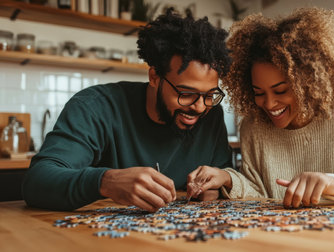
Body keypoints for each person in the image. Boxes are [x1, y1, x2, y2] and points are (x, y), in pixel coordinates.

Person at [187, 7, 334, 207]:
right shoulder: (253, 124)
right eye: (259, 93)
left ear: (308, 82)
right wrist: (227, 178)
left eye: (281, 90)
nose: (269, 104)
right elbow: (259, 193)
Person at [22, 9, 233, 211]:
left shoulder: (211, 114)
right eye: (186, 94)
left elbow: (225, 175)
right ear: (154, 77)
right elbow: (37, 182)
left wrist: (215, 188)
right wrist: (105, 181)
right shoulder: (95, 106)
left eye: (209, 95)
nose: (199, 107)